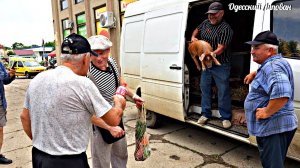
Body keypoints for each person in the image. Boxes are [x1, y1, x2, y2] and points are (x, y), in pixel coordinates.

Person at [20, 33, 126, 168]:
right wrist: (119, 101)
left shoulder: (37, 79)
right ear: (85, 59)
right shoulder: (83, 84)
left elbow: (24, 117)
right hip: (70, 161)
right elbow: (113, 119)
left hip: (39, 157)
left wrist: (45, 147)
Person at [87, 34, 144, 168]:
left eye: (102, 53)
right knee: (102, 162)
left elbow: (120, 83)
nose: (99, 58)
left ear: (108, 51)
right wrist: (109, 127)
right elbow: (87, 111)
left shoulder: (112, 62)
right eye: (95, 54)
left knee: (121, 155)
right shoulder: (87, 72)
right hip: (99, 123)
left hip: (117, 116)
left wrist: (134, 96)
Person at [244, 31, 298, 168]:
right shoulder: (275, 62)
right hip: (278, 126)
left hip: (273, 128)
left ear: (270, 50)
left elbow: (282, 93)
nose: (252, 52)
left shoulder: (272, 67)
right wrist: (255, 73)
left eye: (256, 48)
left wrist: (266, 112)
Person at [191, 2, 233, 128]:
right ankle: (205, 114)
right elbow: (196, 30)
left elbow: (221, 48)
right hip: (206, 65)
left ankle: (225, 117)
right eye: (209, 14)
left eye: (214, 14)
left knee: (223, 90)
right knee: (205, 88)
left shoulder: (226, 29)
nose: (211, 17)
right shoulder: (205, 23)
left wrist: (210, 54)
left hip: (221, 65)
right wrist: (193, 37)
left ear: (221, 13)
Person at [0, 62, 15, 164]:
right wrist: (5, 74)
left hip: (0, 103)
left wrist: (11, 75)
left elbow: (5, 80)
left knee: (0, 129)